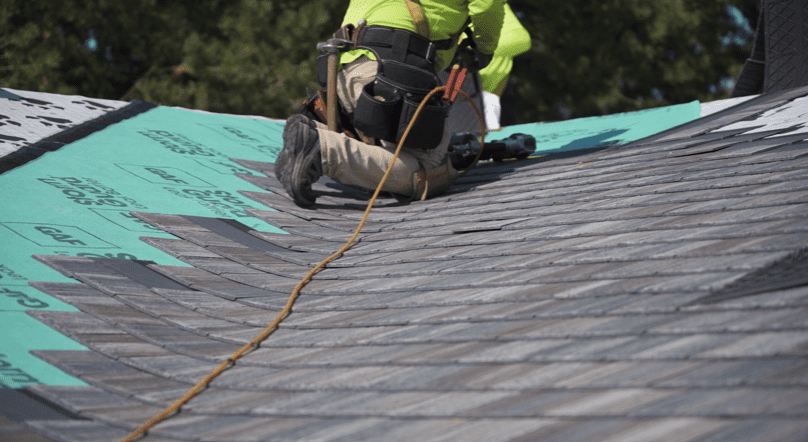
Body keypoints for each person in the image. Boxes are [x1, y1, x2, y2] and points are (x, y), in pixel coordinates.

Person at [275, 0, 505, 207]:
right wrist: (485, 48)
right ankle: (321, 148)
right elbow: (487, 5)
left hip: (342, 70)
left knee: (379, 150)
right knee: (431, 170)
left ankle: (310, 135)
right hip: (389, 71)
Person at [476, 3, 531, 130]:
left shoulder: (494, 4)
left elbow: (522, 40)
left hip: (488, 96)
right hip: (454, 94)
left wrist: (475, 52)